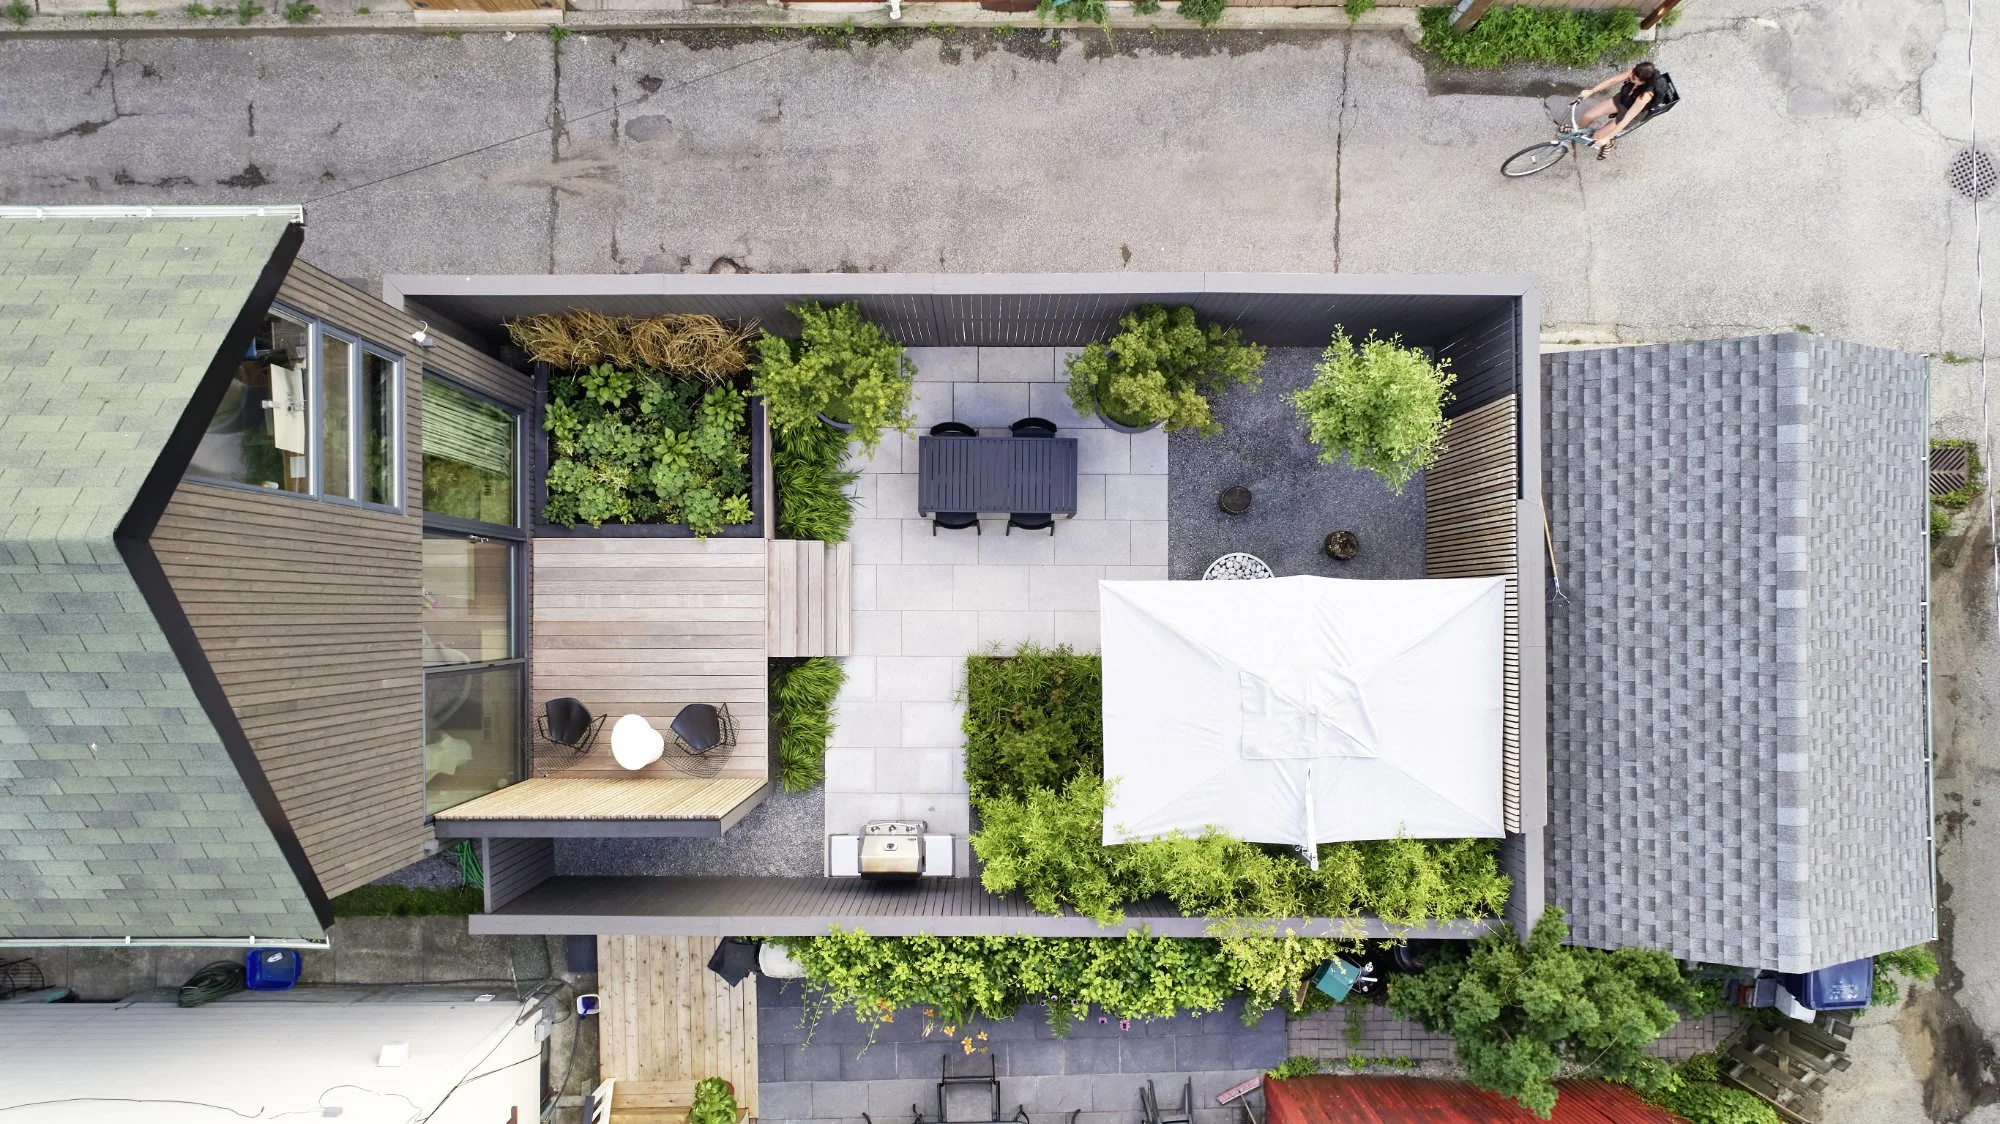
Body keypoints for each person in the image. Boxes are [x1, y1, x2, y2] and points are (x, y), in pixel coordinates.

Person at [1577, 61, 1663, 159]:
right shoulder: (1635, 73)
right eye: (1633, 73)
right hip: (1623, 99)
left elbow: (1626, 119)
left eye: (1634, 78)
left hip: (1630, 113)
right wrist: (1591, 91)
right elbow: (1613, 80)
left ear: (1643, 82)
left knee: (1597, 136)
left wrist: (1606, 138)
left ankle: (1609, 144)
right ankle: (1577, 133)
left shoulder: (1645, 96)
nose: (1631, 77)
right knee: (1588, 116)